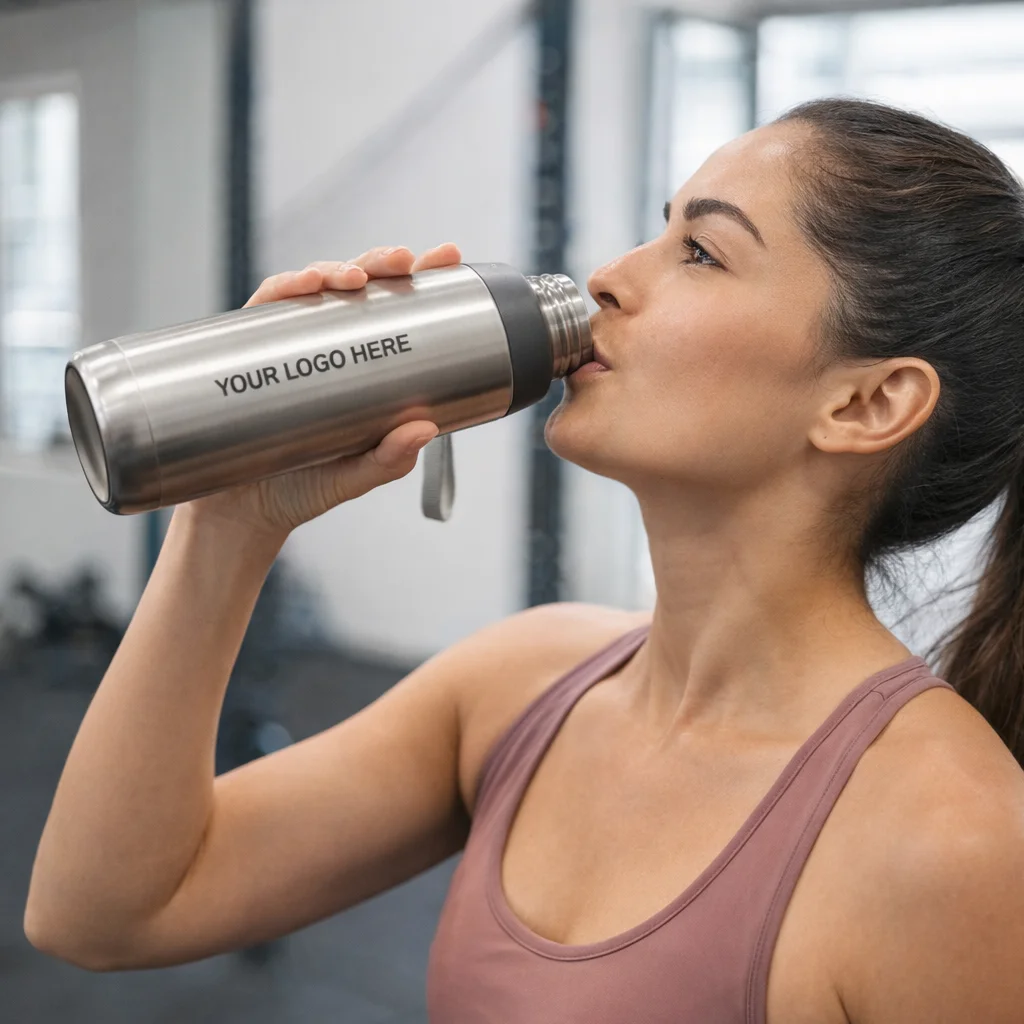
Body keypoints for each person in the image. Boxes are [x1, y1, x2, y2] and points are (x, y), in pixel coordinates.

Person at [24, 98, 1024, 1022]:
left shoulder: (955, 843)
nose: (608, 276)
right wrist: (229, 522)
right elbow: (106, 913)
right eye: (657, 226)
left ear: (866, 403)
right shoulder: (522, 681)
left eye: (701, 253)